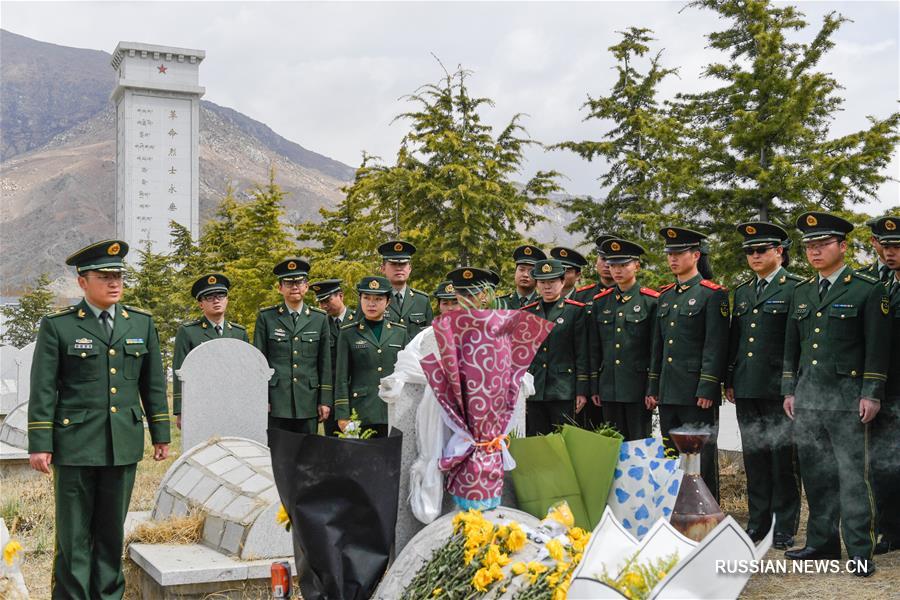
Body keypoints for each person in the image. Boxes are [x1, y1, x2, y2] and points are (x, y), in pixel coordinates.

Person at [28, 240, 170, 599]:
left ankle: (109, 596)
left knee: (110, 533)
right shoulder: (59, 327)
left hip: (122, 443)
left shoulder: (140, 323)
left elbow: (152, 384)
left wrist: (160, 434)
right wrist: (40, 444)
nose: (114, 283)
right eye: (105, 276)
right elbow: (44, 388)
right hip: (75, 445)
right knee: (73, 536)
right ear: (82, 282)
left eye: (118, 276)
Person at [782, 212, 889, 577]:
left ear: (842, 246)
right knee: (816, 476)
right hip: (809, 399)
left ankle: (860, 549)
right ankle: (821, 543)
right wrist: (789, 390)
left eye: (822, 244)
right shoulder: (802, 291)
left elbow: (878, 348)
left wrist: (871, 393)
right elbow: (791, 349)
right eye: (809, 245)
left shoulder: (866, 288)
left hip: (848, 401)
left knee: (852, 477)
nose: (814, 251)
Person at [724, 223, 803, 549]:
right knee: (755, 455)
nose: (754, 256)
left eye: (761, 250)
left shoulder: (795, 288)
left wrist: (792, 386)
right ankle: (758, 522)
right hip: (746, 385)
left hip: (778, 389)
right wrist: (730, 379)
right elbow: (736, 340)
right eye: (750, 251)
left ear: (779, 252)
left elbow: (798, 343)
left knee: (782, 459)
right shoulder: (742, 291)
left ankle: (784, 526)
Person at [654, 226, 729, 501]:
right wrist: (654, 386)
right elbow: (658, 347)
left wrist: (708, 387)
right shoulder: (665, 296)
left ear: (695, 255)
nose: (672, 258)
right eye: (669, 253)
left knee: (701, 455)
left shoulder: (712, 294)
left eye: (679, 253)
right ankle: (674, 506)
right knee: (669, 453)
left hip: (696, 392)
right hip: (669, 388)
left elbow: (715, 345)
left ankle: (705, 509)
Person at [588, 238, 659, 439]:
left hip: (637, 386)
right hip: (608, 386)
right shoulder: (601, 302)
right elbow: (595, 349)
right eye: (612, 265)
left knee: (638, 443)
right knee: (612, 443)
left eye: (623, 265)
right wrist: (595, 385)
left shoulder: (650, 301)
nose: (617, 270)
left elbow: (655, 348)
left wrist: (652, 387)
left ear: (636, 265)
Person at [254, 258, 332, 437]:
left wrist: (325, 400)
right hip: (276, 401)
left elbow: (325, 362)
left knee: (308, 455)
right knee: (277, 454)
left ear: (307, 286)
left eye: (299, 282)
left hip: (308, 400)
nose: (294, 286)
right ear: (280, 288)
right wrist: (262, 398)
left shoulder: (319, 319)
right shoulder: (267, 318)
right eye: (289, 283)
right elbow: (259, 362)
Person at [864, 215, 900, 555]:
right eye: (886, 246)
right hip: (884, 390)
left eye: (897, 246)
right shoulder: (877, 284)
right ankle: (889, 531)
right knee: (882, 464)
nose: (891, 253)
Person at [334, 276, 409, 436]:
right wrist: (342, 414)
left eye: (378, 299)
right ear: (360, 299)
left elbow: (406, 373)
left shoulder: (399, 332)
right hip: (361, 410)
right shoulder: (348, 333)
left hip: (392, 409)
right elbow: (341, 377)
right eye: (366, 298)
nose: (371, 303)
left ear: (388, 302)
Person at [522, 259, 590, 435]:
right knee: (536, 440)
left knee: (564, 440)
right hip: (535, 388)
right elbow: (522, 354)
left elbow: (582, 352)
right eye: (542, 282)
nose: (547, 286)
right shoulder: (528, 312)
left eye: (552, 281)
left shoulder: (575, 311)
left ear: (562, 282)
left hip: (563, 388)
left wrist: (581, 390)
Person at [172, 273, 248, 430]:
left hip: (235, 405)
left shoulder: (240, 333)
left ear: (227, 300)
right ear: (201, 304)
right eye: (209, 297)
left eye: (221, 295)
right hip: (201, 405)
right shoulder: (188, 332)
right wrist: (180, 410)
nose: (216, 300)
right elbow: (179, 371)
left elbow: (247, 372)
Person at [310, 278, 355, 436]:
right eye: (321, 302)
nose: (324, 306)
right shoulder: (320, 326)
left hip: (355, 394)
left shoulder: (357, 321)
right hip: (332, 397)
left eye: (327, 300)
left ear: (341, 296)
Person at [378, 240, 433, 337]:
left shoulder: (422, 300)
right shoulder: (373, 299)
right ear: (383, 269)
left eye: (403, 264)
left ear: (410, 268)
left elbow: (429, 338)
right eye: (393, 264)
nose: (399, 268)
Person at [575, 234, 617, 303]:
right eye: (603, 259)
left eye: (611, 260)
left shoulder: (630, 295)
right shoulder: (581, 296)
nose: (607, 265)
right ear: (596, 262)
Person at [858, 217, 893, 283]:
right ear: (873, 241)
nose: (890, 248)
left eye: (896, 244)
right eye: (884, 243)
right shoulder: (859, 277)